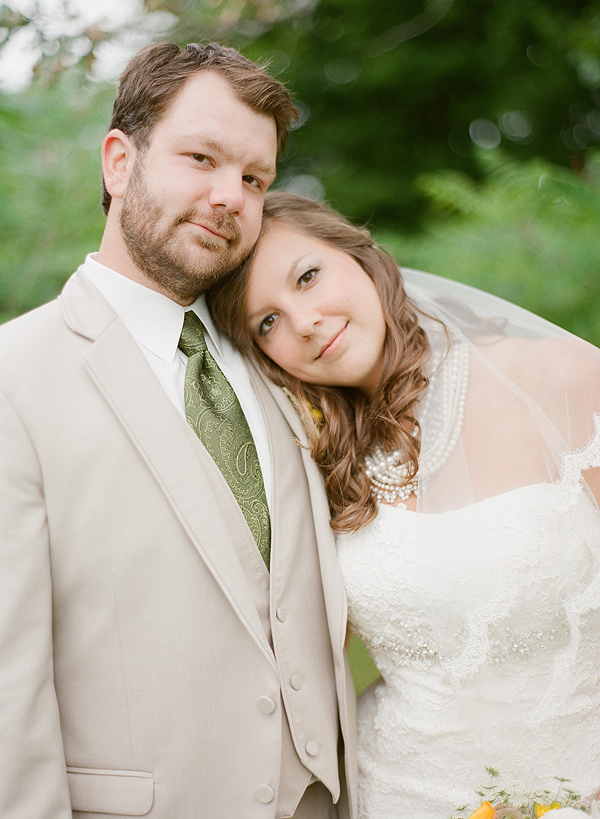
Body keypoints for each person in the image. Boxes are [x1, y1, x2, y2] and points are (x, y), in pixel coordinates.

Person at [0, 45, 357, 818]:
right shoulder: (14, 379)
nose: (230, 196)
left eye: (255, 179)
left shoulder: (280, 355)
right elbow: (8, 693)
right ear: (119, 162)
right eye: (202, 158)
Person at [209, 191, 600, 819]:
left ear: (360, 256)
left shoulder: (557, 377)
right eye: (268, 322)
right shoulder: (311, 464)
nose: (305, 320)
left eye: (308, 277)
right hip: (396, 795)